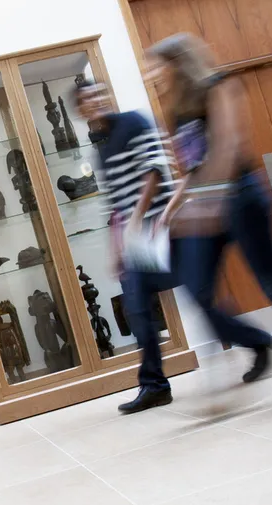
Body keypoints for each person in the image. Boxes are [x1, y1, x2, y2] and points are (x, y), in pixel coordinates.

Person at [146, 32, 272, 407]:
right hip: (210, 202)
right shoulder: (176, 112)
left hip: (243, 197)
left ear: (177, 64)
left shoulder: (219, 86)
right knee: (197, 288)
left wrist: (208, 205)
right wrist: (174, 210)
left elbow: (228, 147)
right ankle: (256, 344)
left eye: (155, 66)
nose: (151, 74)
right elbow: (192, 170)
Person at [74, 80, 180, 413]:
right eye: (88, 98)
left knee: (202, 295)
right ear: (81, 110)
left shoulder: (134, 121)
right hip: (136, 241)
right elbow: (115, 204)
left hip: (164, 228)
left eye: (100, 93)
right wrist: (116, 247)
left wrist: (137, 219)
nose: (97, 100)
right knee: (136, 309)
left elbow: (155, 172)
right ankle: (155, 386)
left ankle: (256, 342)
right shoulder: (101, 150)